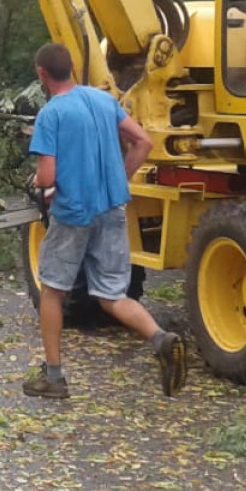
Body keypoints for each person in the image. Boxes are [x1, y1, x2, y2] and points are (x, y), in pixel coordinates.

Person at [20, 42, 189, 399]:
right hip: (112, 208)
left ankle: (54, 377)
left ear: (42, 74)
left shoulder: (51, 114)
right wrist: (119, 178)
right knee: (111, 293)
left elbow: (48, 177)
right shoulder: (102, 100)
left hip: (73, 213)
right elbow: (143, 141)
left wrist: (38, 182)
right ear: (72, 68)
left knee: (52, 289)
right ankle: (160, 338)